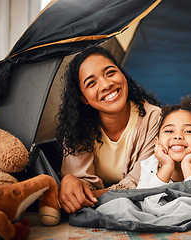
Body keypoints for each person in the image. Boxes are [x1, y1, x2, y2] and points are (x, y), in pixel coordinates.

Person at [56, 45, 161, 213]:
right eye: (91, 83)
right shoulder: (76, 127)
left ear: (122, 74)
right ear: (84, 98)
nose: (106, 84)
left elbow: (141, 184)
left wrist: (87, 196)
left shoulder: (153, 118)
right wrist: (69, 180)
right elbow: (77, 183)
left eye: (110, 72)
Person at [136, 98, 191, 189]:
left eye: (188, 131)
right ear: (157, 142)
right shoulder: (150, 165)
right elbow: (145, 199)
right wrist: (167, 166)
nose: (178, 136)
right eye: (169, 131)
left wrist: (187, 164)